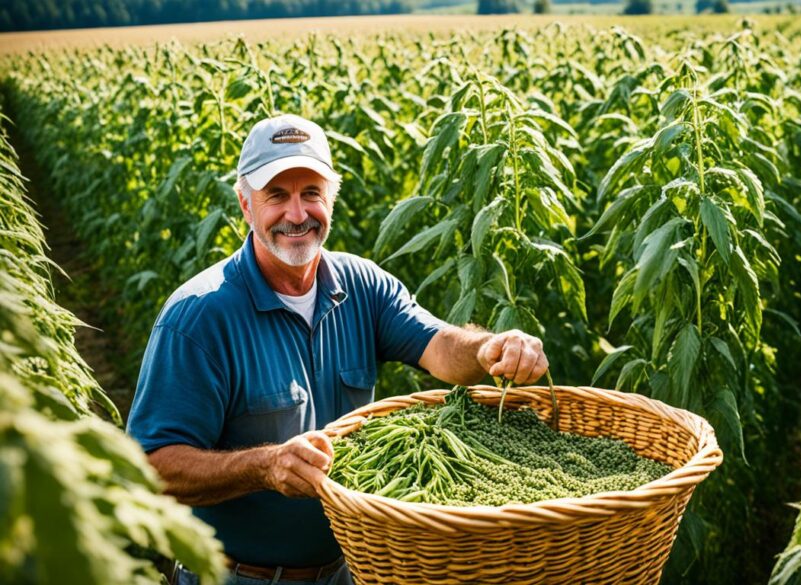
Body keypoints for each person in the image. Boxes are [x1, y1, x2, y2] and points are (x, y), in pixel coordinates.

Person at [126, 114, 549, 585]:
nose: (297, 214)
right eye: (276, 196)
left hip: (350, 570)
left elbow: (441, 347)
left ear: (331, 199)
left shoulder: (361, 285)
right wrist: (264, 467)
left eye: (311, 193)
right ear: (245, 204)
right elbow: (153, 466)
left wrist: (491, 346)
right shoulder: (200, 318)